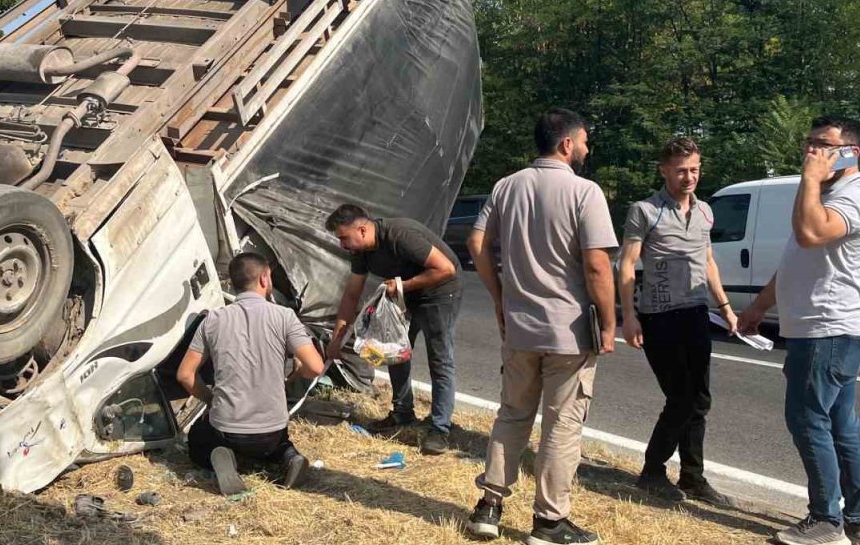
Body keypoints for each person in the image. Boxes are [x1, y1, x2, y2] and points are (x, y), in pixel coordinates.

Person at [463, 108, 617, 545]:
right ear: (566, 144)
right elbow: (597, 265)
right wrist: (609, 323)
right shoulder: (585, 192)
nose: (586, 148)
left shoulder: (506, 186)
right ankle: (549, 521)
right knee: (562, 425)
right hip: (568, 332)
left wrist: (499, 298)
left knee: (512, 414)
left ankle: (489, 506)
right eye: (584, 141)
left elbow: (476, 243)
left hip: (519, 328)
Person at [738, 116, 860, 545]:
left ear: (851, 152)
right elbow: (796, 263)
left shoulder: (856, 197)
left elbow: (808, 235)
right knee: (841, 425)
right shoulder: (829, 193)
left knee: (805, 419)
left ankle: (826, 521)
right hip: (824, 331)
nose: (812, 153)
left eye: (823, 146)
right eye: (809, 144)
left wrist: (809, 178)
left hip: (829, 332)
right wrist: (759, 307)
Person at [618, 137, 736, 506]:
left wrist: (726, 306)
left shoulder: (704, 212)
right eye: (681, 170)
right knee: (681, 398)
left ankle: (692, 476)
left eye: (695, 169)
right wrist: (629, 317)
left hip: (697, 315)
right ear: (664, 170)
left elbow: (709, 261)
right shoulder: (645, 210)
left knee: (699, 399)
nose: (689, 177)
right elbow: (626, 265)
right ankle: (652, 472)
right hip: (659, 317)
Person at [177, 252, 325, 496]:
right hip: (270, 432)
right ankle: (289, 457)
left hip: (226, 428)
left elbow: (184, 375)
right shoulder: (285, 317)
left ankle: (223, 458)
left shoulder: (213, 319)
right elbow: (316, 367)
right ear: (265, 278)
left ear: (233, 283)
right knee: (278, 443)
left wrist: (210, 398)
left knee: (198, 440)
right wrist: (296, 374)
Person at [326, 203, 461, 455]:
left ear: (363, 230)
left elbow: (446, 269)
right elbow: (351, 294)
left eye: (344, 238)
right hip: (403, 294)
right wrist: (336, 339)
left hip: (440, 294)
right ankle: (402, 414)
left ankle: (440, 428)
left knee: (440, 359)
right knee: (394, 351)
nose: (343, 245)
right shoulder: (360, 251)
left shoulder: (400, 234)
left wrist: (403, 285)